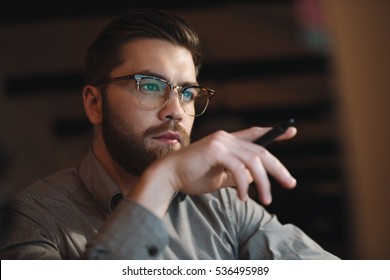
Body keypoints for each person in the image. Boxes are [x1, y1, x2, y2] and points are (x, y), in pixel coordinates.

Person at [0, 9, 338, 260]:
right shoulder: (31, 221)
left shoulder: (225, 208)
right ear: (94, 103)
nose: (175, 110)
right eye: (149, 85)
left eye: (187, 93)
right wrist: (164, 180)